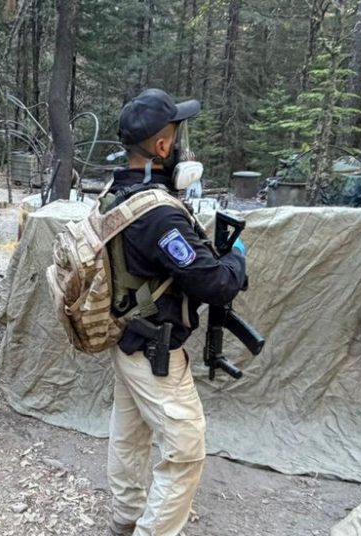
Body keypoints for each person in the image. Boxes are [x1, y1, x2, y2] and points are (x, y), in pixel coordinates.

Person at [105, 88, 248, 536]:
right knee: (185, 450)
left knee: (129, 436)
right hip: (155, 352)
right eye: (179, 136)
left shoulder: (116, 194)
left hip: (127, 339)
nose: (185, 147)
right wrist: (236, 257)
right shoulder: (159, 216)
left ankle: (125, 518)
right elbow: (215, 284)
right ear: (163, 146)